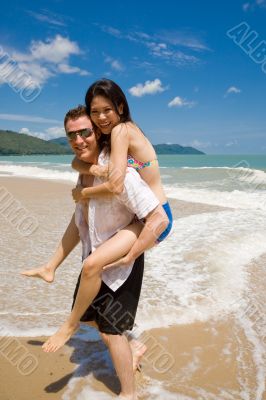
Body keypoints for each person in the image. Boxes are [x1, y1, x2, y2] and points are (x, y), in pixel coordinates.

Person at [22, 106, 168, 400]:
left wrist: (132, 254)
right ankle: (134, 346)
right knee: (96, 321)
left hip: (122, 260)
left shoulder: (120, 173)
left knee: (111, 333)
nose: (78, 140)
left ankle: (128, 393)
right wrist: (53, 264)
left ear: (97, 133)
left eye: (85, 132)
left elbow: (158, 218)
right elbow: (79, 223)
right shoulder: (84, 173)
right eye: (71, 135)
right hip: (98, 257)